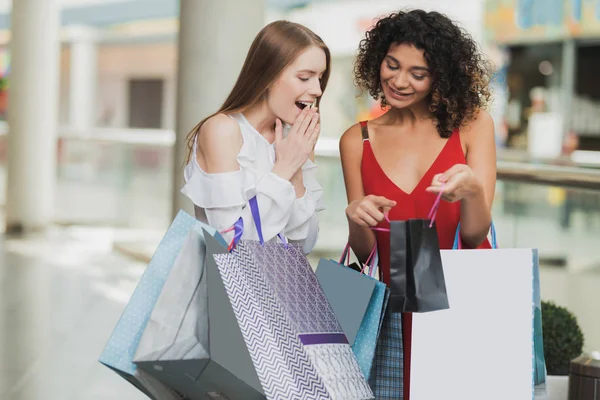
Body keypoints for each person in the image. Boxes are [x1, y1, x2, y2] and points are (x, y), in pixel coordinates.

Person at [339, 10, 496, 399]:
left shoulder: (474, 125)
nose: (399, 80)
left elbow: (476, 234)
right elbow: (364, 252)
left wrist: (473, 192)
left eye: (418, 73)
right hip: (388, 302)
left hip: (463, 294)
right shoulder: (356, 140)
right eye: (392, 65)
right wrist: (355, 217)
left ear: (440, 77)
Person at [180, 20, 330, 254]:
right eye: (304, 77)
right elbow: (229, 244)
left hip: (278, 288)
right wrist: (284, 168)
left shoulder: (297, 141)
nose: (318, 90)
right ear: (268, 75)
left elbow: (304, 246)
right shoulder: (223, 130)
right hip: (224, 289)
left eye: (320, 77)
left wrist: (296, 173)